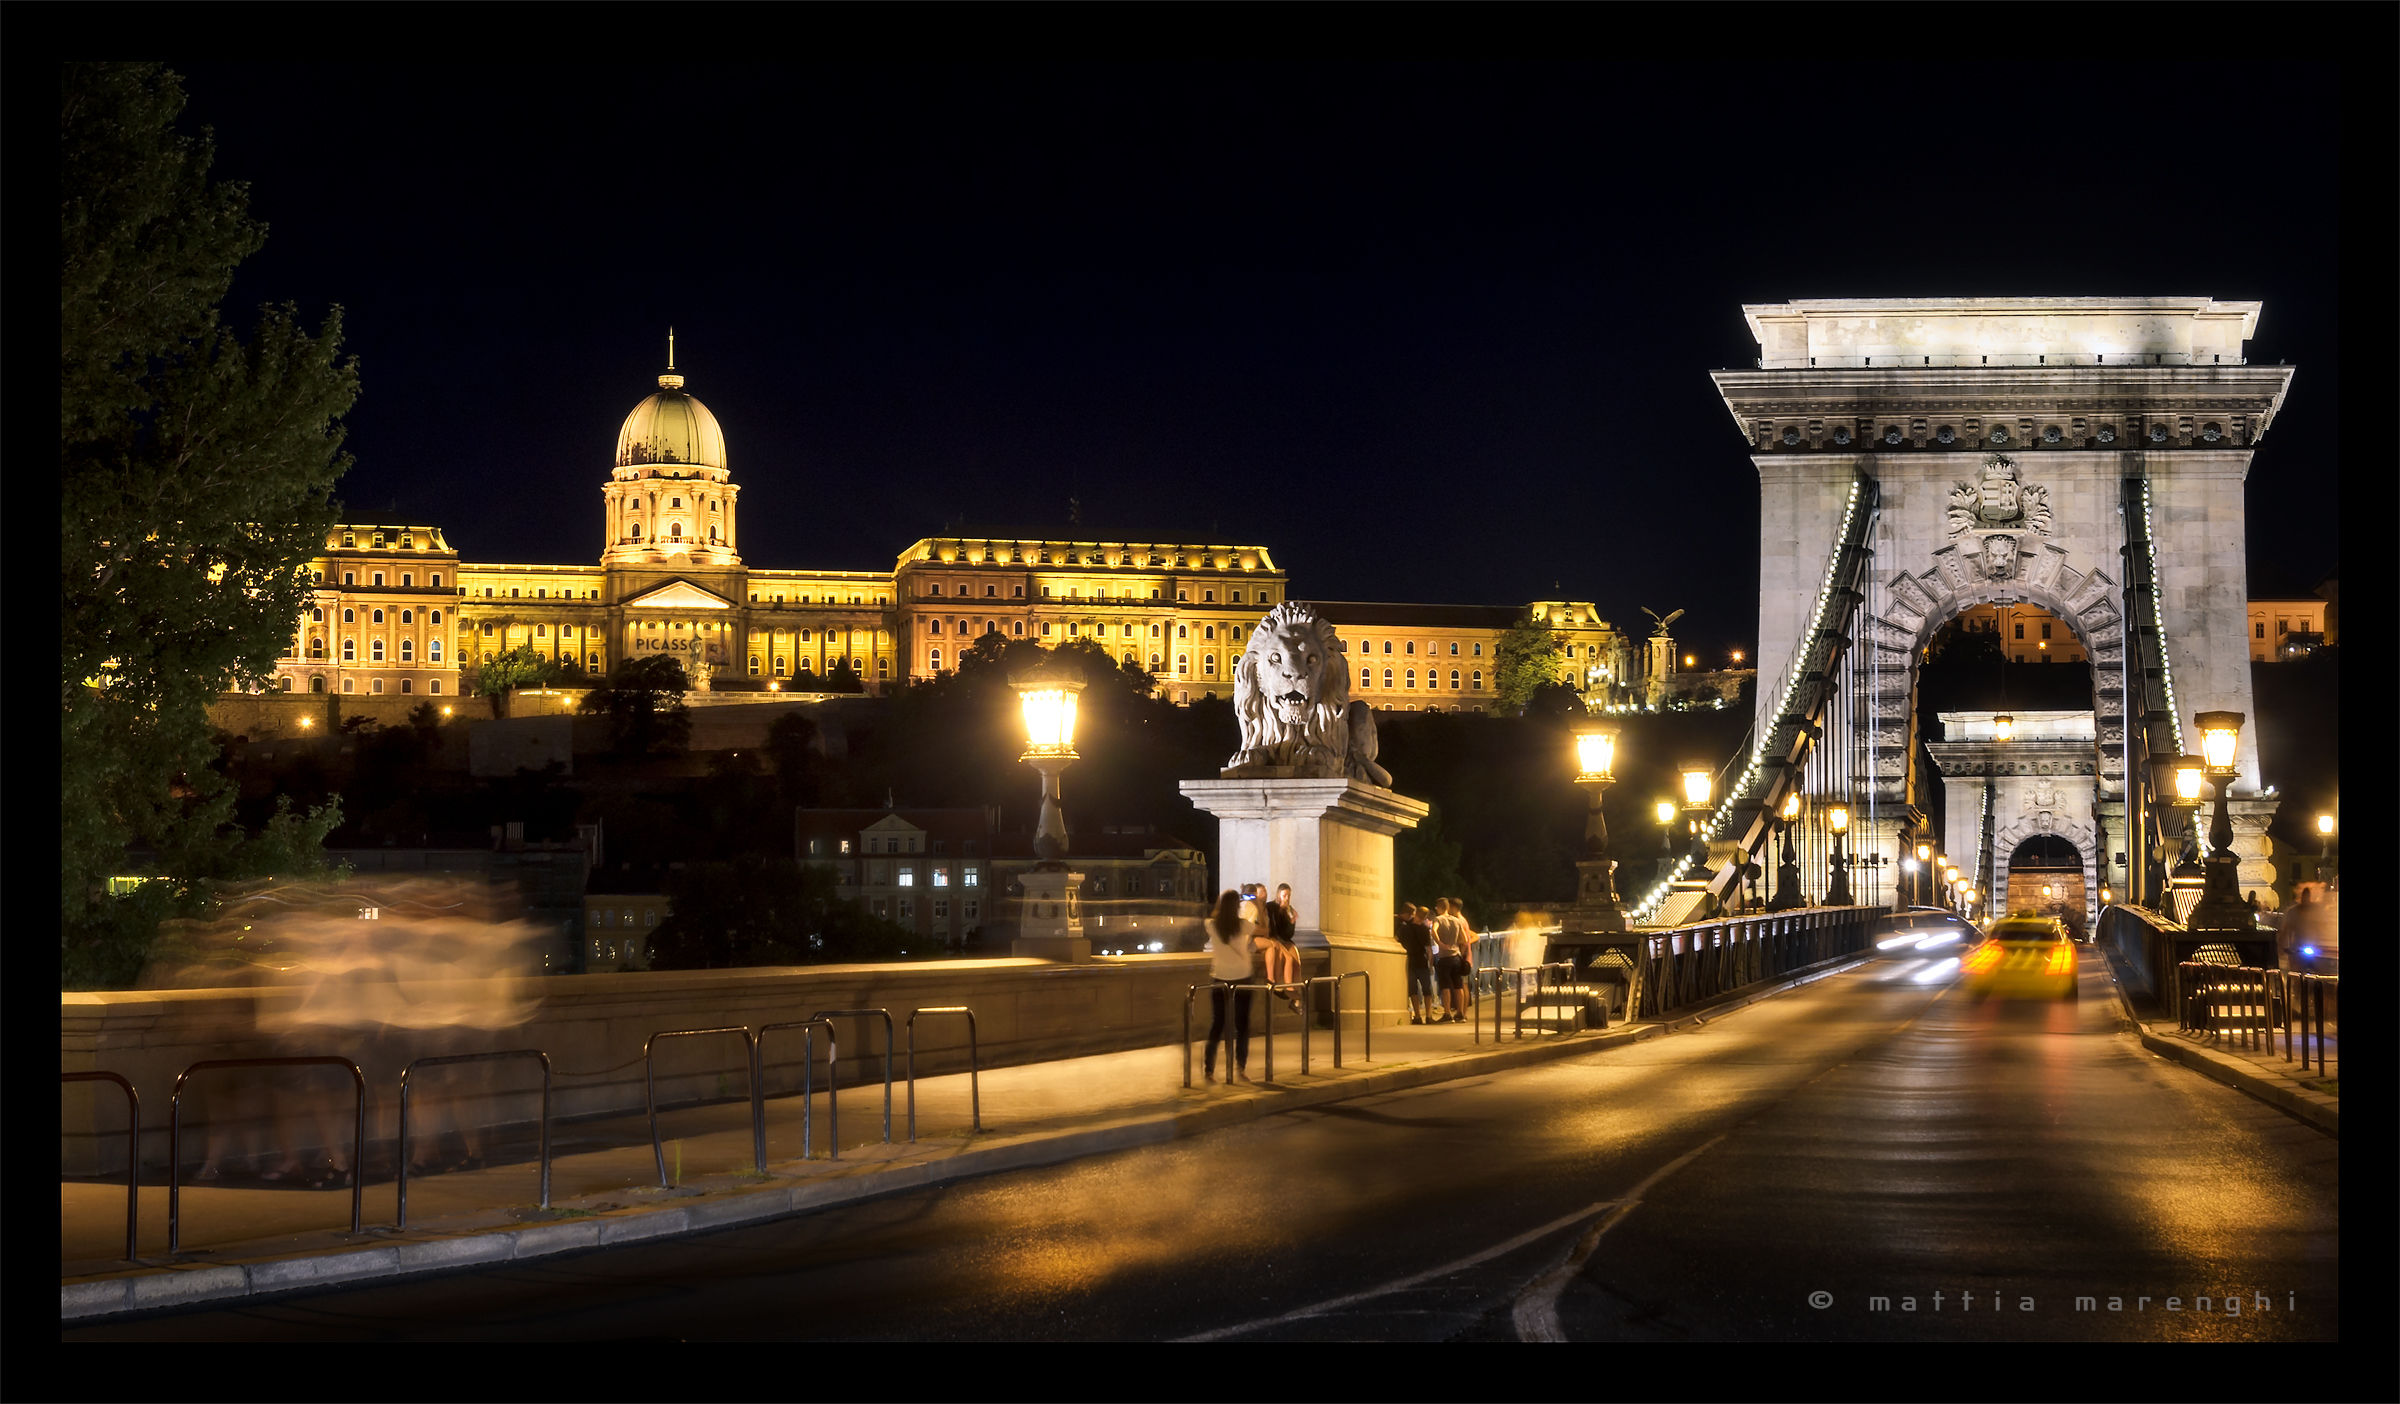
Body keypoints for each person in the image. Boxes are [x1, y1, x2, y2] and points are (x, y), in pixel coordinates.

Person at [1202, 890, 1258, 1082]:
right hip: (1243, 977)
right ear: (1236, 906)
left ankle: (1209, 1070)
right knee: (1242, 1026)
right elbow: (1263, 930)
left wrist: (1220, 906)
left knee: (1217, 1025)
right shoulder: (1242, 925)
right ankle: (1240, 1068)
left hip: (1220, 978)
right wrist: (1256, 905)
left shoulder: (1211, 925)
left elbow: (1211, 918)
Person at [1256, 882, 1303, 1012]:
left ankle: (1296, 999)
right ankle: (1290, 990)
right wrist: (1281, 912)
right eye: (1284, 895)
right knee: (1288, 959)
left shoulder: (1290, 910)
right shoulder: (1271, 907)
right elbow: (1273, 930)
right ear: (1278, 895)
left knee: (1297, 963)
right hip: (1275, 939)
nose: (1286, 898)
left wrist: (1291, 920)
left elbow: (1288, 934)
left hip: (1285, 940)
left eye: (1288, 895)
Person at [1397, 903, 1438, 1024]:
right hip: (1422, 961)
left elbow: (1398, 941)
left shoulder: (1405, 928)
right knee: (1427, 990)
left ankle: (1418, 1016)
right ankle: (1429, 1016)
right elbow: (1429, 950)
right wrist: (1430, 965)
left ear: (1415, 914)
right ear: (1425, 917)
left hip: (1409, 961)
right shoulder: (1425, 930)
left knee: (1413, 990)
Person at [1434, 898, 1472, 1023]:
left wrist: (1440, 943)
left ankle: (1447, 1014)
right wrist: (1457, 945)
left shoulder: (1438, 919)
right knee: (1458, 985)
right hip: (1456, 957)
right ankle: (1460, 1013)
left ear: (1440, 908)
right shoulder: (1457, 921)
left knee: (1445, 987)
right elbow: (1465, 938)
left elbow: (1433, 930)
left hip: (1445, 957)